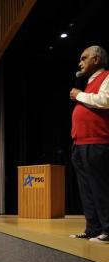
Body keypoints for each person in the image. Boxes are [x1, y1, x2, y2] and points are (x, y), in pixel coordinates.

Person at [69, 45, 109, 243]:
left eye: (84, 58)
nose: (80, 62)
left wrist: (78, 95)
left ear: (97, 59)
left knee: (100, 187)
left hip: (97, 141)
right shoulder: (88, 83)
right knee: (86, 189)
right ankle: (93, 228)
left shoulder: (107, 77)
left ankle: (108, 230)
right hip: (80, 143)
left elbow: (105, 100)